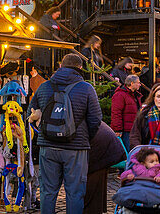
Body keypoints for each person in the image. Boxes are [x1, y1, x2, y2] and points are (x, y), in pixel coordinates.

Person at [31, 53, 104, 214]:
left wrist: (42, 133)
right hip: (75, 148)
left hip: (48, 147)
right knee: (75, 192)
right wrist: (84, 137)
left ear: (60, 66)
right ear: (79, 68)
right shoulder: (86, 88)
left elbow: (32, 112)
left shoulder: (44, 86)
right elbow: (96, 119)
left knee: (47, 191)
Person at [86, 121, 127, 214]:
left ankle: (92, 210)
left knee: (92, 183)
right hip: (101, 140)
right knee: (95, 183)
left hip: (102, 144)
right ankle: (94, 209)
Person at [110, 74, 143, 150]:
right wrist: (117, 129)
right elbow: (116, 113)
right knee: (128, 153)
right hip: (126, 131)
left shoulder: (135, 95)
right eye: (138, 83)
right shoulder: (120, 95)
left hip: (134, 129)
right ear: (131, 83)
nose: (140, 85)